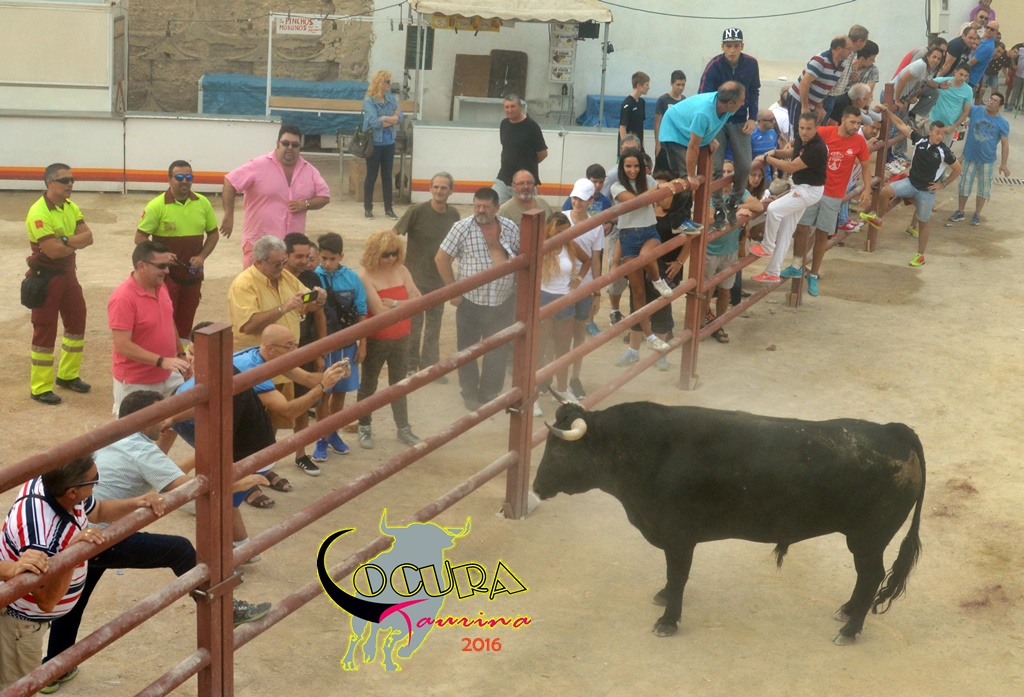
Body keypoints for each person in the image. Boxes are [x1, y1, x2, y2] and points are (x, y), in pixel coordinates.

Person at [38, 391, 271, 693]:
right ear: (142, 418)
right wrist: (240, 482)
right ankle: (228, 610)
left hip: (80, 532)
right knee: (179, 549)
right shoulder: (142, 452)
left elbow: (162, 471)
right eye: (159, 416)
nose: (165, 421)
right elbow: (187, 488)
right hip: (99, 536)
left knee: (77, 597)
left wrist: (192, 451)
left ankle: (55, 667)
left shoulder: (115, 436)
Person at [0, 456, 164, 689]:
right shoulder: (42, 538)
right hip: (21, 624)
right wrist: (72, 555)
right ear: (72, 492)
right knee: (18, 689)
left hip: (28, 619)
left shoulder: (50, 484)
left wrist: (138, 502)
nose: (97, 483)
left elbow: (97, 511)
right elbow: (46, 600)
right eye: (94, 480)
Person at [435, 187, 520, 410]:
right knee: (468, 351)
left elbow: (522, 257)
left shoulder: (510, 227)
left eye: (485, 207)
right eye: (477, 206)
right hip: (471, 302)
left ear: (497, 208)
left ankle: (489, 392)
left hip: (502, 301)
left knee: (498, 350)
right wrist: (453, 291)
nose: (480, 210)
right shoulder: (461, 228)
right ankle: (470, 393)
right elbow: (441, 258)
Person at [108, 241, 191, 447]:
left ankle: (158, 464)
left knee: (175, 421)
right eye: (161, 266)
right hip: (137, 381)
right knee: (132, 440)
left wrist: (180, 355)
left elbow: (168, 320)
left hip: (167, 373)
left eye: (168, 265)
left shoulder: (160, 287)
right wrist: (162, 361)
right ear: (141, 266)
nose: (167, 271)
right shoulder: (123, 298)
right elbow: (122, 345)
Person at [783, 107, 872, 297]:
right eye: (853, 122)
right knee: (802, 228)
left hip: (834, 194)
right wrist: (787, 149)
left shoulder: (859, 142)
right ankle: (796, 265)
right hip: (813, 187)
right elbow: (800, 140)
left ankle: (814, 275)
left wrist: (867, 189)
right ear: (843, 120)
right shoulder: (824, 132)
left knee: (822, 234)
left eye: (858, 123)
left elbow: (866, 165)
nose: (856, 126)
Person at [24, 163, 93, 406]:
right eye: (64, 180)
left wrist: (64, 240)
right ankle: (40, 387)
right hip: (46, 278)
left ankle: (68, 375)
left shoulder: (70, 206)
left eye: (72, 179)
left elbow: (89, 237)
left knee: (77, 321)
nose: (70, 184)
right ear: (50, 183)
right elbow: (52, 252)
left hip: (68, 276)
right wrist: (74, 242)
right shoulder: (38, 212)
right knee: (45, 328)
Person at [860, 106, 961, 267]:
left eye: (942, 134)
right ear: (930, 131)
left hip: (927, 191)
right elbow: (901, 125)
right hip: (911, 183)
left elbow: (957, 169)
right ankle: (878, 219)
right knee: (885, 191)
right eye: (937, 133)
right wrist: (888, 112)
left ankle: (921, 255)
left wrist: (942, 184)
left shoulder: (944, 151)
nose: (940, 136)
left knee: (924, 222)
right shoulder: (920, 140)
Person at [220, 125, 331, 267]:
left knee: (289, 283)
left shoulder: (309, 170)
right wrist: (228, 215)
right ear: (278, 144)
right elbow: (230, 182)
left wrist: (305, 204)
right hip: (260, 246)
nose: (290, 148)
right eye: (286, 143)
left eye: (295, 145)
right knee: (254, 282)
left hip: (291, 252)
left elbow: (324, 196)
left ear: (300, 147)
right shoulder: (258, 165)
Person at [135, 160, 219, 343]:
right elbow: (140, 238)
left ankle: (181, 357)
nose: (184, 181)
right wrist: (162, 257)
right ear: (169, 179)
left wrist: (202, 256)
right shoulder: (156, 206)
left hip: (193, 275)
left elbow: (213, 234)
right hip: (166, 276)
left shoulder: (203, 203)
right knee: (163, 320)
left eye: (188, 177)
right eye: (179, 177)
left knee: (185, 325)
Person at [609, 149, 679, 362]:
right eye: (628, 166)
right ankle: (649, 337)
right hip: (628, 237)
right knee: (637, 292)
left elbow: (665, 202)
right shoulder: (617, 186)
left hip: (649, 232)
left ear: (643, 167)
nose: (633, 170)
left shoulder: (648, 180)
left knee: (646, 257)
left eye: (636, 166)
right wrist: (658, 189)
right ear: (622, 167)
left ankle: (657, 280)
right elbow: (635, 202)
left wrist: (668, 187)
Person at [355, 230, 423, 449]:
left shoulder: (402, 270)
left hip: (402, 336)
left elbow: (419, 301)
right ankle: (364, 426)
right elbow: (378, 311)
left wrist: (394, 303)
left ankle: (403, 427)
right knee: (369, 384)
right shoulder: (364, 276)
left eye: (394, 253)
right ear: (375, 252)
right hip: (377, 339)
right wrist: (406, 305)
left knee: (400, 385)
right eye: (386, 254)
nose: (391, 258)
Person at [747, 112, 828, 283]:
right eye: (801, 128)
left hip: (808, 190)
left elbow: (791, 167)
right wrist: (775, 152)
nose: (804, 132)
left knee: (773, 209)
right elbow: (793, 152)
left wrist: (768, 158)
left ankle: (767, 246)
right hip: (802, 188)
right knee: (786, 230)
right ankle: (773, 271)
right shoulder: (801, 139)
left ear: (816, 128)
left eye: (808, 129)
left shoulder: (817, 148)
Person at [394, 172, 460, 381]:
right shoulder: (416, 211)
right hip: (414, 281)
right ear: (430, 188)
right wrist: (395, 267)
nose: (439, 191)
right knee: (413, 327)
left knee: (434, 327)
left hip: (438, 281)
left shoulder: (454, 215)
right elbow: (393, 236)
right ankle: (409, 366)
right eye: (436, 187)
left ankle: (430, 367)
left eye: (444, 187)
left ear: (451, 191)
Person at [699, 28, 761, 230]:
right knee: (715, 168)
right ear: (722, 46)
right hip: (718, 120)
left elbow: (754, 90)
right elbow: (703, 96)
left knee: (744, 166)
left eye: (735, 45)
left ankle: (732, 202)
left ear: (742, 46)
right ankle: (718, 208)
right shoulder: (714, 66)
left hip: (740, 120)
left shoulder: (751, 64)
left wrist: (753, 118)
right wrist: (709, 126)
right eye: (728, 46)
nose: (732, 50)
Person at [313, 232, 367, 462]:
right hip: (324, 345)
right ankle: (321, 437)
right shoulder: (313, 277)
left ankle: (333, 432)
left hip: (347, 344)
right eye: (323, 258)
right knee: (323, 392)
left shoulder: (352, 278)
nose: (327, 263)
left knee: (340, 390)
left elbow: (362, 311)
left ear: (341, 256)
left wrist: (362, 344)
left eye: (332, 259)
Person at [534, 212, 590, 415]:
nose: (564, 235)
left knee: (563, 349)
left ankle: (562, 389)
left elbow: (587, 260)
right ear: (550, 230)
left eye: (566, 231)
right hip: (544, 299)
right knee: (539, 350)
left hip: (565, 300)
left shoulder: (570, 244)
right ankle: (533, 396)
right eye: (559, 232)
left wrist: (578, 279)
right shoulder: (541, 246)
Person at [283, 233, 325, 476]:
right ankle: (263, 464)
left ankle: (300, 454)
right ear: (286, 255)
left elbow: (319, 314)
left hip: (305, 347)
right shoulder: (275, 277)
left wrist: (320, 351)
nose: (304, 261)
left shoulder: (311, 277)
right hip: (278, 351)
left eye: (307, 256)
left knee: (303, 401)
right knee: (269, 405)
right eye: (298, 256)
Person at [702, 176, 764, 342]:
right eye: (723, 172)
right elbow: (708, 218)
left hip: (730, 249)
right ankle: (702, 323)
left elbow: (758, 205)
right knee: (706, 290)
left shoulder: (739, 192)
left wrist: (735, 206)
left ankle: (718, 324)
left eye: (729, 172)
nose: (726, 175)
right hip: (709, 250)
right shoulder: (711, 193)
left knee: (725, 290)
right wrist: (734, 213)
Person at [659, 81, 747, 198]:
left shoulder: (726, 107)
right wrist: (691, 176)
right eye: (742, 100)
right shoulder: (704, 113)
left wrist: (709, 138)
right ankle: (679, 209)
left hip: (688, 128)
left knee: (691, 179)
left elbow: (711, 124)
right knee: (685, 180)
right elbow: (693, 146)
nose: (743, 103)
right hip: (674, 129)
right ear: (730, 103)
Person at [563, 178, 606, 395]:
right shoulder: (561, 219)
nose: (577, 202)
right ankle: (556, 376)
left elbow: (596, 260)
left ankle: (574, 378)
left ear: (590, 201)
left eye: (581, 199)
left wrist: (597, 291)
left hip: (583, 286)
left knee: (578, 334)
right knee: (558, 334)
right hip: (561, 284)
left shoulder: (596, 226)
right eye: (574, 198)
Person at [948, 93, 1011, 226]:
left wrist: (1004, 164)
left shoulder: (1003, 123)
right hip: (970, 157)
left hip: (987, 161)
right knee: (964, 186)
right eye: (991, 99)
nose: (991, 102)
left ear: (1000, 106)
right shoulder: (976, 110)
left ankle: (977, 214)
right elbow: (961, 104)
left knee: (984, 189)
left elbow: (1005, 144)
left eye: (995, 101)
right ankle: (960, 211)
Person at [785, 37, 854, 136]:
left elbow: (828, 86)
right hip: (798, 99)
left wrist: (819, 106)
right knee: (797, 131)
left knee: (810, 133)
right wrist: (805, 107)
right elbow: (805, 82)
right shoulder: (820, 60)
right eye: (849, 49)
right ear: (839, 49)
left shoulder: (842, 65)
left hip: (813, 103)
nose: (851, 52)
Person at [362, 70, 403, 220]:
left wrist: (385, 118)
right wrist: (391, 118)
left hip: (389, 142)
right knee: (371, 176)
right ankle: (368, 208)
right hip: (374, 143)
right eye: (388, 82)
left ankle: (388, 209)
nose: (390, 84)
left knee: (387, 176)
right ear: (380, 83)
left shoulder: (391, 99)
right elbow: (374, 122)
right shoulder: (369, 101)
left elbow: (401, 117)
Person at [493, 94, 548, 205]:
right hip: (503, 179)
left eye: (512, 106)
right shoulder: (504, 124)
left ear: (520, 107)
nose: (509, 110)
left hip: (524, 183)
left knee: (526, 213)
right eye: (507, 107)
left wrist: (527, 163)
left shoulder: (532, 126)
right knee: (492, 207)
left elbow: (543, 153)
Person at [821, 26, 871, 119]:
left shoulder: (853, 54)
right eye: (865, 41)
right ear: (859, 41)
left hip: (837, 95)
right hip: (828, 95)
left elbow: (842, 73)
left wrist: (850, 76)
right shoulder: (844, 54)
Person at [929, 65, 976, 146]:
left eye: (965, 76)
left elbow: (966, 112)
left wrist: (953, 127)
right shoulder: (943, 81)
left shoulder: (968, 90)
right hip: (933, 121)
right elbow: (928, 83)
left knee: (943, 151)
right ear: (955, 72)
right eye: (961, 74)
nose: (963, 78)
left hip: (949, 128)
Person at [654, 70, 687, 171]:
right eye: (678, 85)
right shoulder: (663, 100)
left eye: (683, 85)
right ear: (671, 83)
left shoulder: (684, 100)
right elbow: (657, 123)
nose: (681, 88)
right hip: (665, 143)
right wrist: (658, 143)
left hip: (679, 143)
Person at [619, 71, 650, 151]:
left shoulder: (642, 102)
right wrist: (625, 148)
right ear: (639, 86)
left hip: (638, 146)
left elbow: (640, 126)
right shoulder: (627, 104)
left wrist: (642, 147)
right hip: (629, 147)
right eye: (647, 85)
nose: (648, 87)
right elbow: (622, 128)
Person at [968, 22, 1000, 97]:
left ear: (996, 32)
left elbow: (971, 62)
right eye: (987, 27)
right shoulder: (983, 40)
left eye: (992, 29)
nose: (988, 30)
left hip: (970, 78)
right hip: (969, 77)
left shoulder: (988, 46)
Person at [750, 110, 781, 181]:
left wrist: (775, 172)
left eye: (774, 119)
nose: (774, 122)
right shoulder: (751, 135)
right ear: (761, 122)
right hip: (753, 177)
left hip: (767, 177)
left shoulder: (773, 133)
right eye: (771, 120)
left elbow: (774, 154)